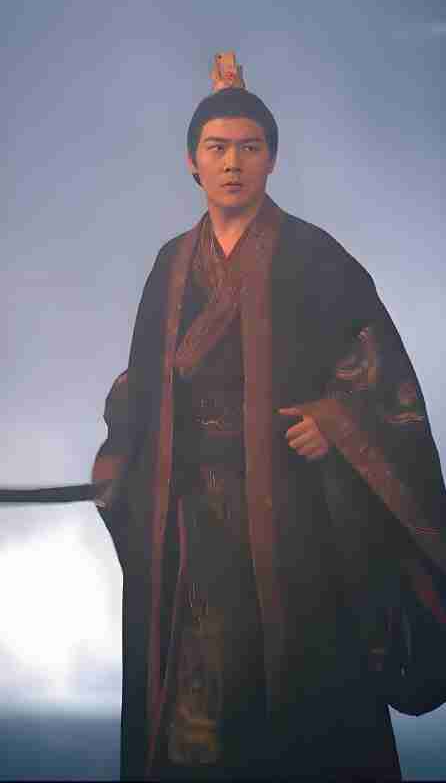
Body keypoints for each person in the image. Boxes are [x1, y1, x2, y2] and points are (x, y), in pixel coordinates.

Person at [92, 53, 446, 781]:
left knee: (304, 681)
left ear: (272, 159)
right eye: (217, 148)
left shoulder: (317, 258)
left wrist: (335, 422)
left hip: (295, 518)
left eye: (249, 148)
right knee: (195, 693)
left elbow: (381, 378)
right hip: (191, 521)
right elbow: (141, 384)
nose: (233, 164)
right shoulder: (171, 264)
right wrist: (127, 454)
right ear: (192, 162)